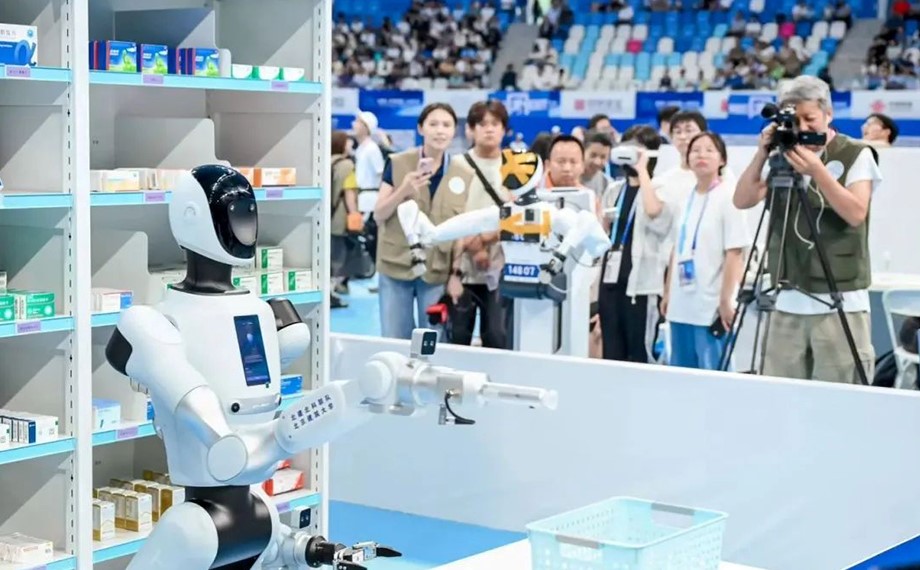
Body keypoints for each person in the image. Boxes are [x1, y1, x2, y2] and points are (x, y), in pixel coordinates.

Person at [733, 76, 883, 383]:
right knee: (781, 394)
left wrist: (817, 171)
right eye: (793, 119)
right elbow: (742, 200)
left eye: (809, 118)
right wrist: (762, 153)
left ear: (828, 114)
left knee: (840, 395)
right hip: (786, 296)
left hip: (839, 298)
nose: (801, 127)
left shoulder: (856, 153)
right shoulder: (782, 156)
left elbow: (856, 213)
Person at [373, 103, 476, 340]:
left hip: (436, 270)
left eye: (446, 125)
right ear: (421, 128)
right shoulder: (398, 162)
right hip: (395, 264)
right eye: (433, 124)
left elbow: (461, 230)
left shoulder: (463, 173)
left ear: (454, 131)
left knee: (432, 341)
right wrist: (403, 190)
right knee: (395, 339)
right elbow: (379, 213)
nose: (440, 130)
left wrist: (456, 275)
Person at [663, 132, 751, 370]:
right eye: (695, 150)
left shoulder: (730, 197)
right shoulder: (686, 198)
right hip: (681, 304)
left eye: (709, 150)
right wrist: (668, 292)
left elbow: (734, 253)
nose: (701, 155)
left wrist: (726, 300)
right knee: (681, 373)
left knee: (714, 373)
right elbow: (676, 248)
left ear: (722, 159)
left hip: (710, 305)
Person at [596, 125, 671, 363]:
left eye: (636, 148)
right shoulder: (614, 189)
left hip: (641, 286)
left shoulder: (660, 188)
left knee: (640, 353)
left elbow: (654, 214)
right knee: (612, 351)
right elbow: (604, 233)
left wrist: (643, 172)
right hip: (610, 283)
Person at [447, 100, 513, 348]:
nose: (489, 129)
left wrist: (485, 239)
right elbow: (451, 214)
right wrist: (472, 250)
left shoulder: (514, 166)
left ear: (504, 129)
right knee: (457, 338)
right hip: (461, 266)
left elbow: (517, 214)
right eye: (482, 124)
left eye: (495, 123)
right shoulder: (457, 165)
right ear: (470, 129)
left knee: (497, 337)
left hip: (500, 266)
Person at [330, 131, 362, 308]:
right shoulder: (347, 165)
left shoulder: (326, 161)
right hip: (340, 220)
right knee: (338, 259)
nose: (351, 145)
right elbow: (350, 194)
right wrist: (355, 218)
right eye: (348, 143)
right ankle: (331, 293)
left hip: (325, 217)